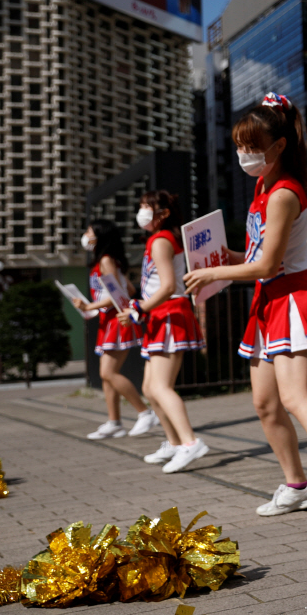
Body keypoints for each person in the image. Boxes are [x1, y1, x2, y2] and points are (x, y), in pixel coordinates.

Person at [184, 93, 307, 533]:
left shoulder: (285, 192)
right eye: (239, 145)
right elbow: (256, 253)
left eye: (252, 146)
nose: (244, 155)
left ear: (280, 146)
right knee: (266, 403)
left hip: (291, 296)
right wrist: (221, 257)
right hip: (270, 299)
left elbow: (269, 265)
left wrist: (224, 270)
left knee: (296, 398)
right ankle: (297, 486)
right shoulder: (264, 185)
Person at [116, 191, 208, 473]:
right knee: (149, 388)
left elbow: (168, 285)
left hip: (168, 313)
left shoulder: (161, 240)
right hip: (160, 315)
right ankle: (175, 442)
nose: (141, 212)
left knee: (160, 387)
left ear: (163, 213)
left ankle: (190, 443)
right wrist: (140, 308)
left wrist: (137, 310)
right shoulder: (160, 240)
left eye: (146, 206)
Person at [73, 219, 158, 440]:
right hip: (109, 320)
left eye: (89, 231)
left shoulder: (107, 260)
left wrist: (90, 305)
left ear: (100, 236)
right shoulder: (107, 261)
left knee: (107, 372)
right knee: (107, 375)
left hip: (115, 320)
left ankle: (145, 412)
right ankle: (115, 422)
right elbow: (128, 288)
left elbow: (118, 293)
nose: (86, 235)